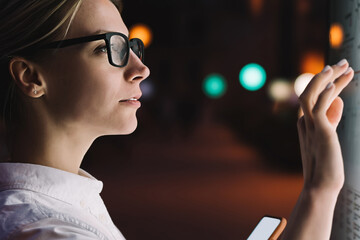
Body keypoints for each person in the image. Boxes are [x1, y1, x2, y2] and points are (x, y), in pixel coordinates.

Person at [0, 0, 354, 239]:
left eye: (131, 46)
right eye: (109, 47)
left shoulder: (53, 205)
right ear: (31, 77)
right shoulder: (51, 230)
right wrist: (322, 193)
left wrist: (319, 190)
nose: (141, 69)